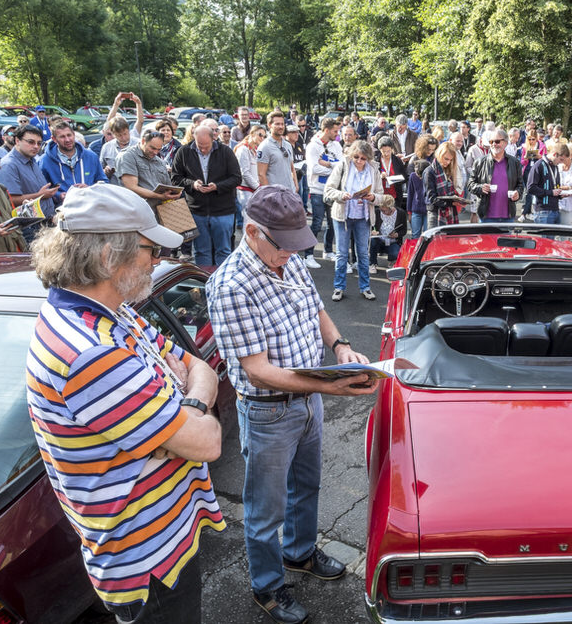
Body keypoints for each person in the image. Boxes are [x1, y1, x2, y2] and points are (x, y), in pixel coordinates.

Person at [27, 183, 223, 622]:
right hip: (146, 559)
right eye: (151, 251)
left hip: (161, 539)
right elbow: (207, 441)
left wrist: (180, 410)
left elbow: (198, 365)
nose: (159, 262)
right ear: (107, 258)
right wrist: (192, 409)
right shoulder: (89, 352)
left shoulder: (111, 311)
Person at [205, 186, 376, 622]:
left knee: (308, 487)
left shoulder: (289, 256)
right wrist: (329, 388)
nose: (291, 254)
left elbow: (317, 310)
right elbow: (257, 370)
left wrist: (340, 347)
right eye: (283, 245)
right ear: (252, 232)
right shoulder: (229, 286)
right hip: (268, 410)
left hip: (307, 400)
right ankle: (266, 586)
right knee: (265, 510)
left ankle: (298, 553)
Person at [171, 124, 242, 268]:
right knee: (201, 251)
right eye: (199, 145)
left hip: (223, 210)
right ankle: (205, 282)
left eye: (206, 146)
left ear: (214, 138)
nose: (203, 149)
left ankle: (223, 282)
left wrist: (217, 186)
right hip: (197, 210)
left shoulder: (225, 152)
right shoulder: (184, 152)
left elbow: (236, 178)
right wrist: (192, 184)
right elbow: (175, 178)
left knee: (223, 250)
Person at [325, 139, 383, 301]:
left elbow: (380, 193)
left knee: (363, 254)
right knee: (342, 254)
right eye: (356, 157)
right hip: (342, 216)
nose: (359, 161)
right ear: (351, 155)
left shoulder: (373, 170)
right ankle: (339, 287)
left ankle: (365, 287)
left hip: (363, 217)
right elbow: (329, 189)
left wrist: (373, 197)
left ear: (368, 159)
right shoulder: (343, 165)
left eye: (363, 158)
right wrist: (341, 195)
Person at [0, 124, 58, 242]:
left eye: (39, 143)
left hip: (44, 224)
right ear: (17, 141)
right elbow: (9, 199)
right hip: (28, 228)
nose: (36, 146)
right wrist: (41, 195)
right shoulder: (9, 165)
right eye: (30, 142)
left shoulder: (32, 160)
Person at [306, 118, 343, 263]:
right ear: (326, 130)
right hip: (317, 189)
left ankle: (328, 250)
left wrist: (328, 164)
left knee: (332, 221)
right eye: (335, 131)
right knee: (317, 222)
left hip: (332, 189)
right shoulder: (313, 146)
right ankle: (309, 254)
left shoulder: (336, 145)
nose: (337, 134)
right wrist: (333, 167)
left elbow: (341, 166)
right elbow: (314, 168)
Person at [40, 121, 106, 199]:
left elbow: (103, 182)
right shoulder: (45, 161)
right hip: (62, 207)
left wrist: (90, 189)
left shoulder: (91, 156)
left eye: (69, 135)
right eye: (62, 137)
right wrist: (59, 195)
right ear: (54, 139)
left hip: (89, 205)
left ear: (74, 135)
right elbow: (42, 189)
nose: (67, 140)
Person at [468, 128, 523, 223]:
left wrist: (518, 194)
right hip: (486, 216)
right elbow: (470, 184)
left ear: (505, 143)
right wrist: (481, 188)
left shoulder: (515, 163)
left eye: (497, 141)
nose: (494, 144)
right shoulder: (480, 162)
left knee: (505, 238)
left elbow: (520, 185)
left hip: (508, 216)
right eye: (491, 141)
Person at [118, 129, 181, 202]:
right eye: (153, 148)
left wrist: (174, 193)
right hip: (136, 208)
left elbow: (167, 186)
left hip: (159, 210)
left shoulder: (160, 161)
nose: (155, 152)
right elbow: (132, 187)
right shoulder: (127, 156)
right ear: (143, 141)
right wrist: (159, 196)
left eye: (159, 149)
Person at [424, 141, 462, 229]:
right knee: (436, 240)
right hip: (435, 213)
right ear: (439, 154)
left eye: (451, 160)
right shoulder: (429, 171)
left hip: (450, 211)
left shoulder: (448, 170)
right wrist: (451, 202)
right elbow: (432, 198)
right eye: (446, 159)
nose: (448, 162)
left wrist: (457, 200)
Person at [258, 111, 298, 192]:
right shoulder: (265, 146)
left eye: (282, 124)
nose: (281, 126)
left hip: (290, 193)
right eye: (277, 124)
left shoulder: (287, 145)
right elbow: (261, 175)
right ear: (269, 125)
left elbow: (292, 168)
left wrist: (296, 186)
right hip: (276, 195)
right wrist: (270, 195)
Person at [369, 193, 407, 273]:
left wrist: (397, 234)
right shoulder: (377, 212)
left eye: (385, 210)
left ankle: (392, 260)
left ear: (391, 208)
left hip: (393, 242)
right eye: (381, 210)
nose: (383, 212)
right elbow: (371, 225)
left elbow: (404, 230)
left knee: (395, 253)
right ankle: (372, 263)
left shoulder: (401, 213)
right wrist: (373, 231)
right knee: (373, 241)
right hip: (379, 239)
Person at [376, 135, 407, 209]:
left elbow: (405, 177)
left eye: (388, 151)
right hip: (380, 197)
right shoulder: (376, 161)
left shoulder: (397, 160)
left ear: (392, 149)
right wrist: (380, 176)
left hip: (394, 196)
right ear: (380, 150)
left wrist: (394, 179)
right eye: (384, 151)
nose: (386, 154)